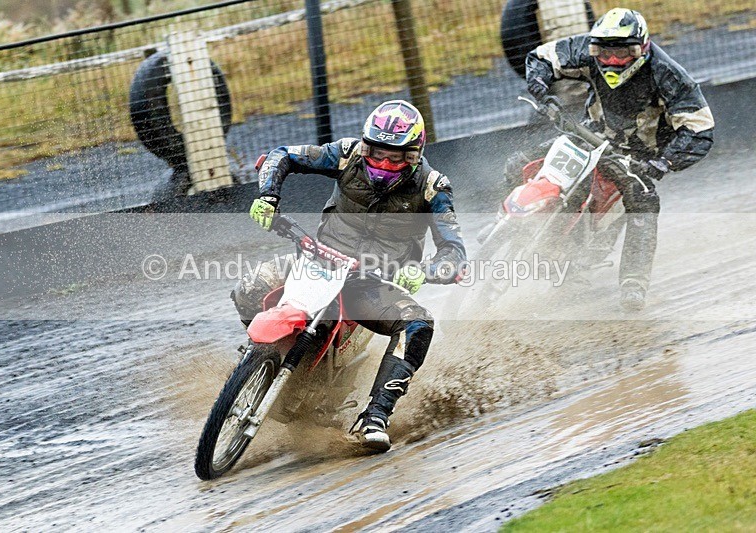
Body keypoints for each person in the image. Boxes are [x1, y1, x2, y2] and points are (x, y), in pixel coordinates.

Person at [233, 100, 466, 451]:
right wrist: (268, 196)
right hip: (315, 261)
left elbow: (454, 251)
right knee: (249, 286)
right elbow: (283, 154)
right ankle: (254, 359)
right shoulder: (346, 153)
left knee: (418, 323)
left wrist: (426, 271)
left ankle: (374, 418)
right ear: (365, 145)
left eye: (396, 157)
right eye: (377, 154)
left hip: (370, 282)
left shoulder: (433, 187)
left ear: (416, 153)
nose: (384, 164)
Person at [517, 7, 714, 311]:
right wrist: (541, 90)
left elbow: (700, 129)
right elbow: (541, 57)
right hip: (588, 135)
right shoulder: (586, 50)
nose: (610, 60)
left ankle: (633, 283)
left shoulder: (669, 75)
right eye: (602, 52)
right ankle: (505, 228)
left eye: (622, 53)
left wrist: (664, 163)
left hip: (637, 156)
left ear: (642, 49)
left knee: (645, 198)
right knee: (519, 161)